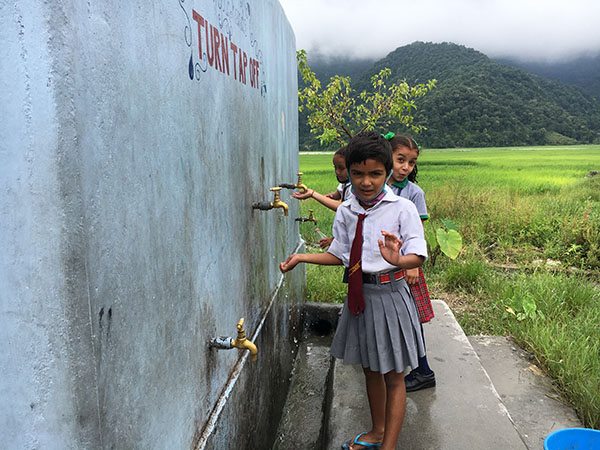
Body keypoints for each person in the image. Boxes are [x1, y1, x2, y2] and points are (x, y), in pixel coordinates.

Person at [280, 132, 427, 450]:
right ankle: (376, 432)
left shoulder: (402, 209)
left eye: (375, 174)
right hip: (361, 299)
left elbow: (417, 253)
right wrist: (302, 257)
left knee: (394, 374)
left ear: (387, 173)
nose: (366, 182)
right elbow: (341, 254)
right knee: (371, 369)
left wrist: (398, 259)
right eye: (358, 174)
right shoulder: (346, 211)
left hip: (391, 297)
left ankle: (389, 446)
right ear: (349, 172)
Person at [387, 132, 436, 392]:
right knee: (393, 316)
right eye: (400, 160)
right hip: (387, 264)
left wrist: (413, 265)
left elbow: (416, 232)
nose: (405, 167)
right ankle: (397, 365)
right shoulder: (380, 184)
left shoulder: (414, 193)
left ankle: (423, 370)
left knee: (411, 316)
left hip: (406, 264)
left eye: (411, 162)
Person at [293, 146, 351, 248]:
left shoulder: (356, 189)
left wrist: (313, 194)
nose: (337, 172)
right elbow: (337, 194)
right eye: (335, 167)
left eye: (341, 168)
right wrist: (329, 196)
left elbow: (342, 207)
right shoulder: (345, 183)